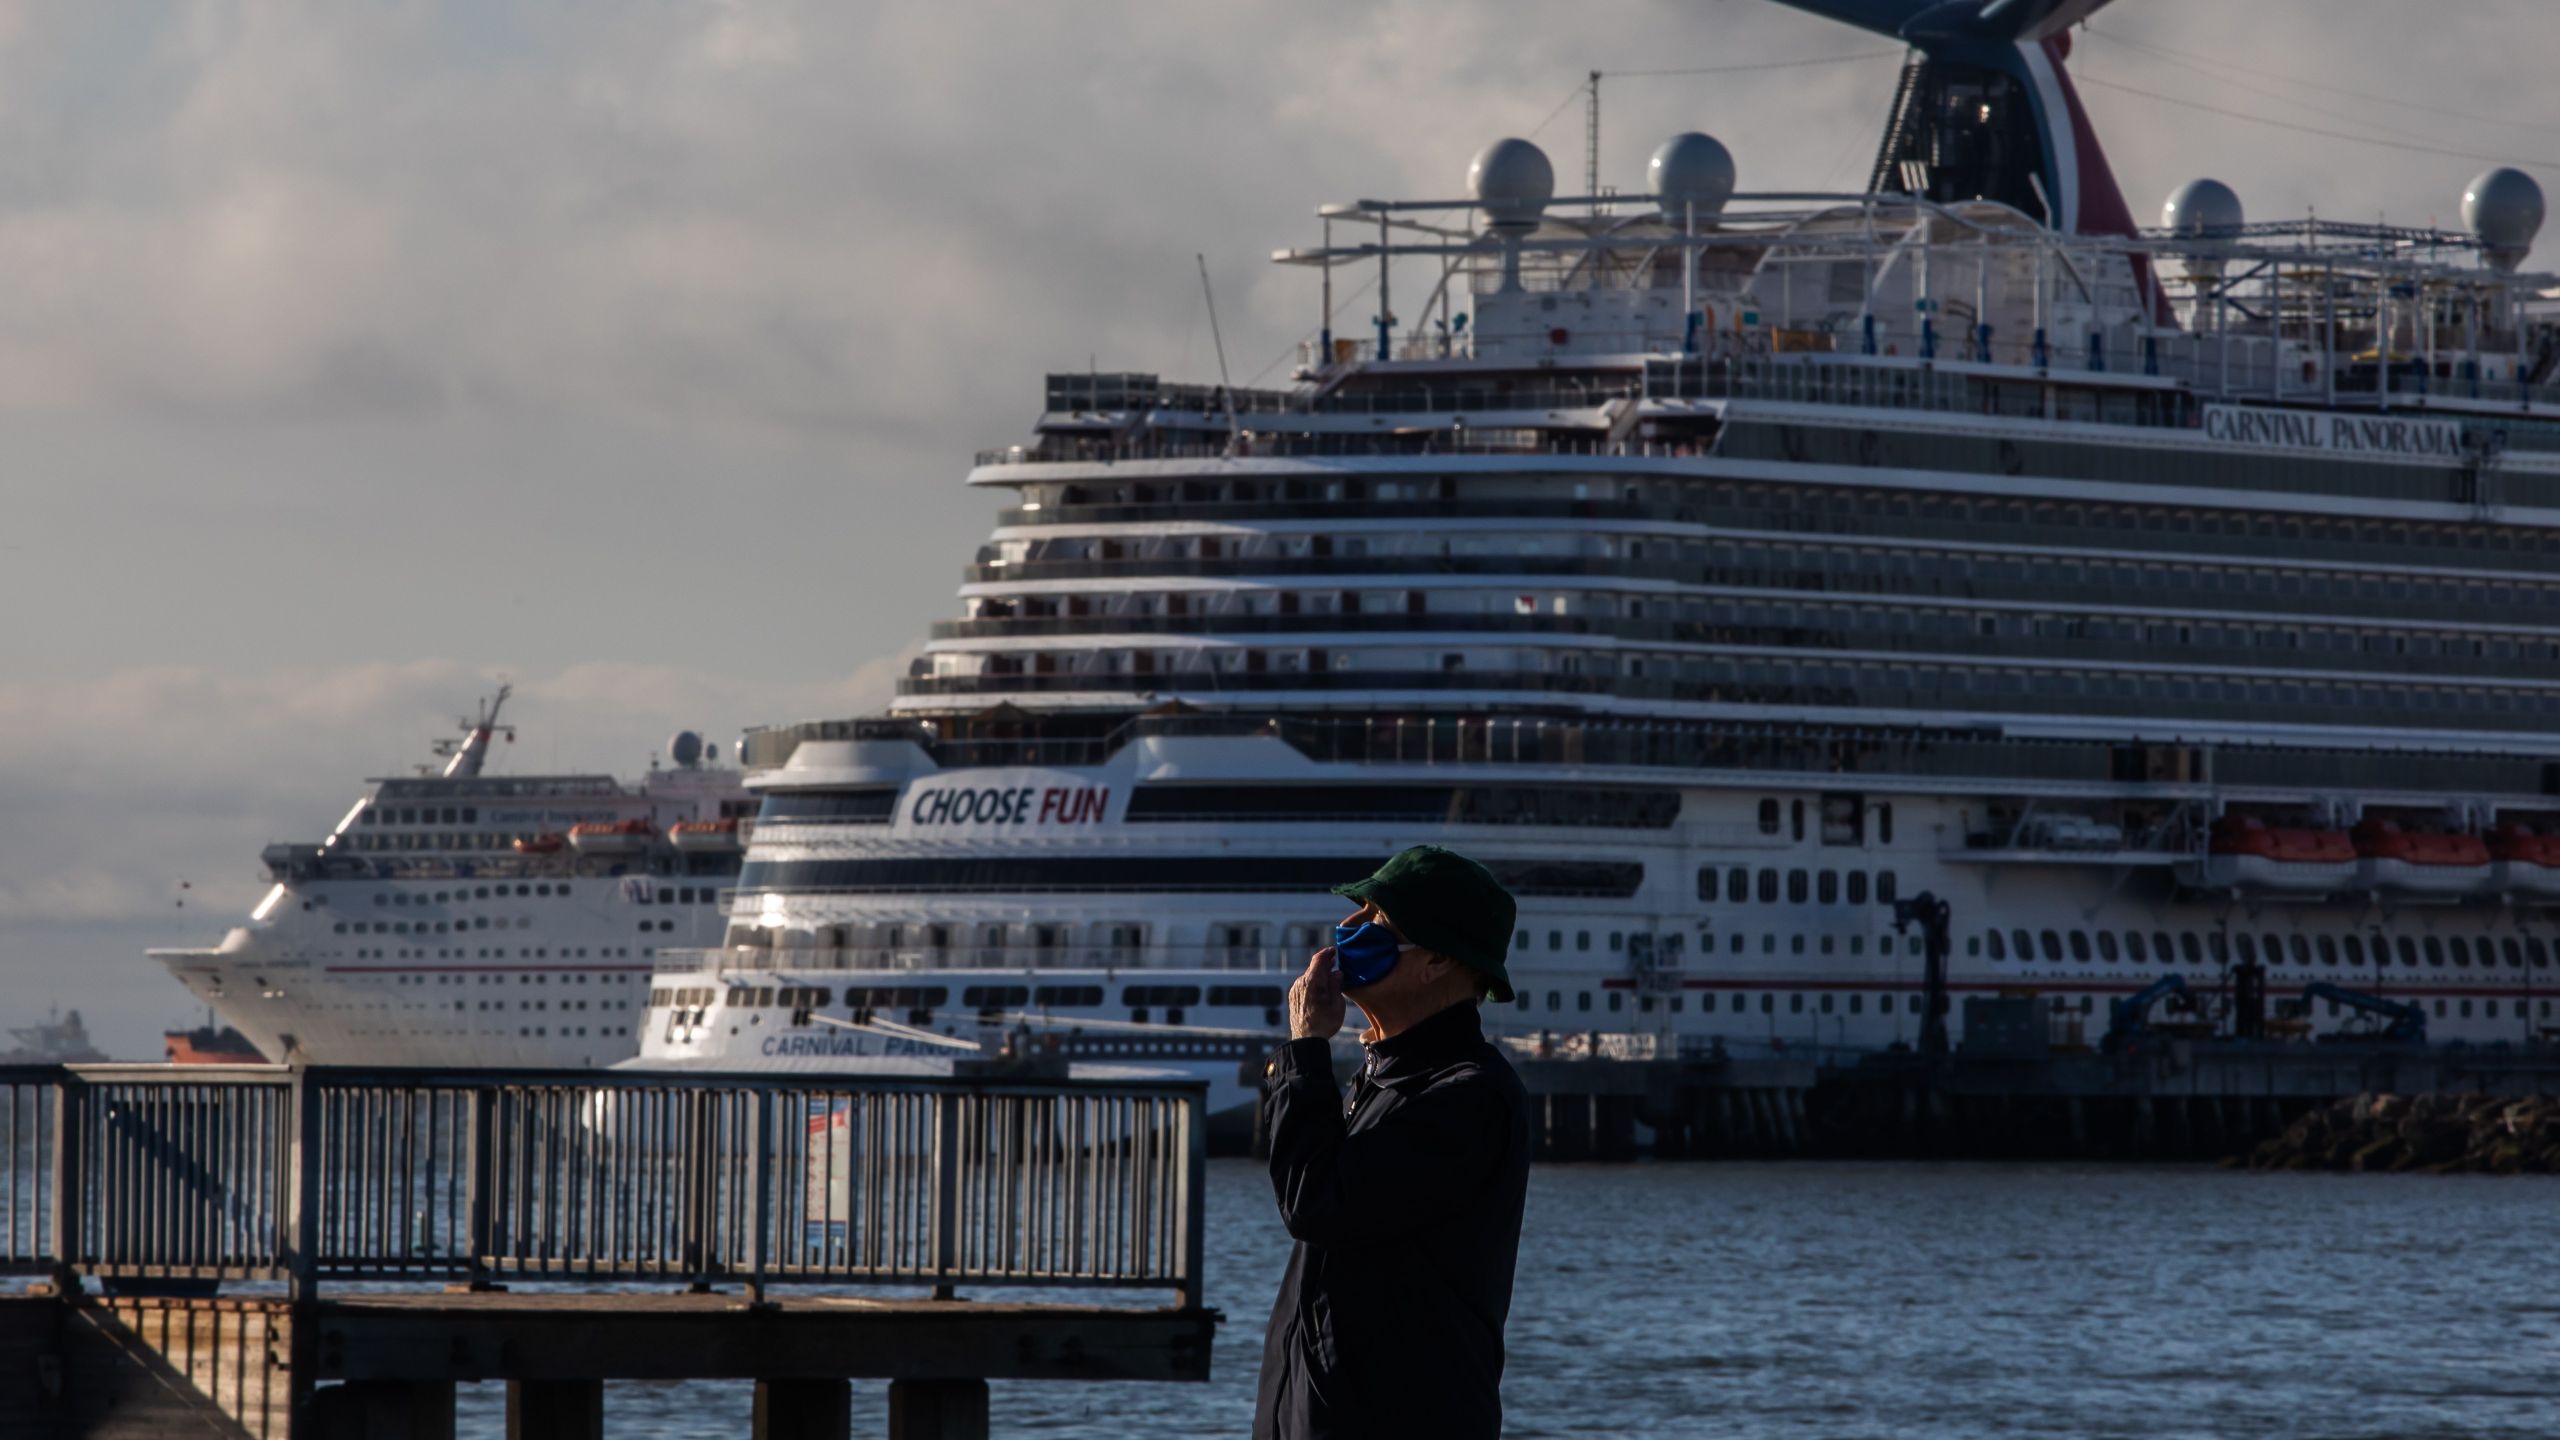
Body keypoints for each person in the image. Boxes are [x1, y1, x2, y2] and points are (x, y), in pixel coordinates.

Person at [1252, 845, 1533, 1440]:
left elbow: (1314, 1200)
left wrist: (1305, 1052)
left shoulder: (1468, 1097)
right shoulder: (1383, 1078)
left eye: (1376, 918)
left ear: (1434, 960)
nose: (1348, 929)